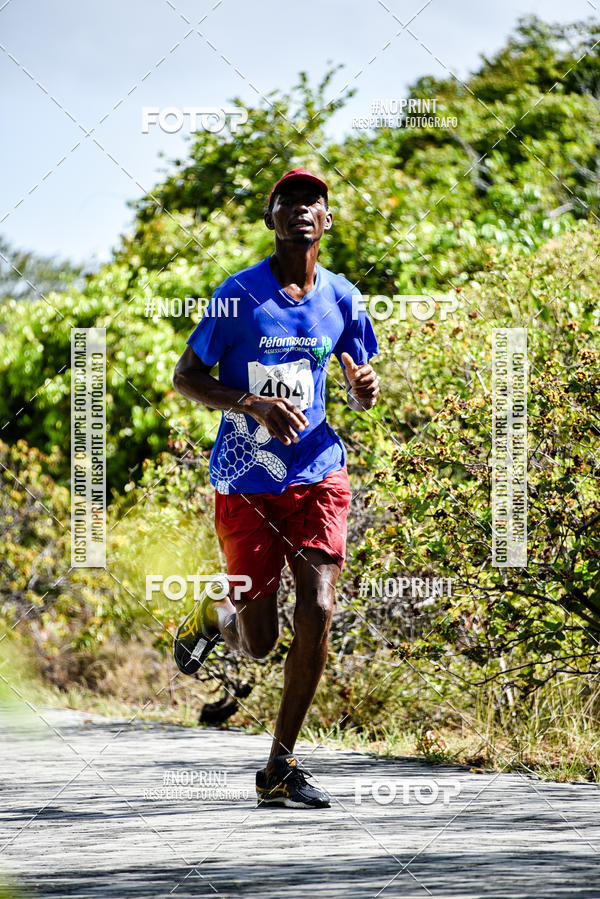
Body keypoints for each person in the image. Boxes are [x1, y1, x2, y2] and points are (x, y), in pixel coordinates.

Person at [172, 168, 379, 808]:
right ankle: (216, 614)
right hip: (246, 481)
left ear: (327, 219)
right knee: (259, 641)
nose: (301, 210)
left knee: (318, 608)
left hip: (317, 472)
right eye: (287, 202)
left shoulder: (343, 296)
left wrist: (362, 387)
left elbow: (357, 367)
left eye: (312, 201)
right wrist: (254, 406)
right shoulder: (237, 297)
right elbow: (186, 377)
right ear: (272, 219)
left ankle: (280, 767)